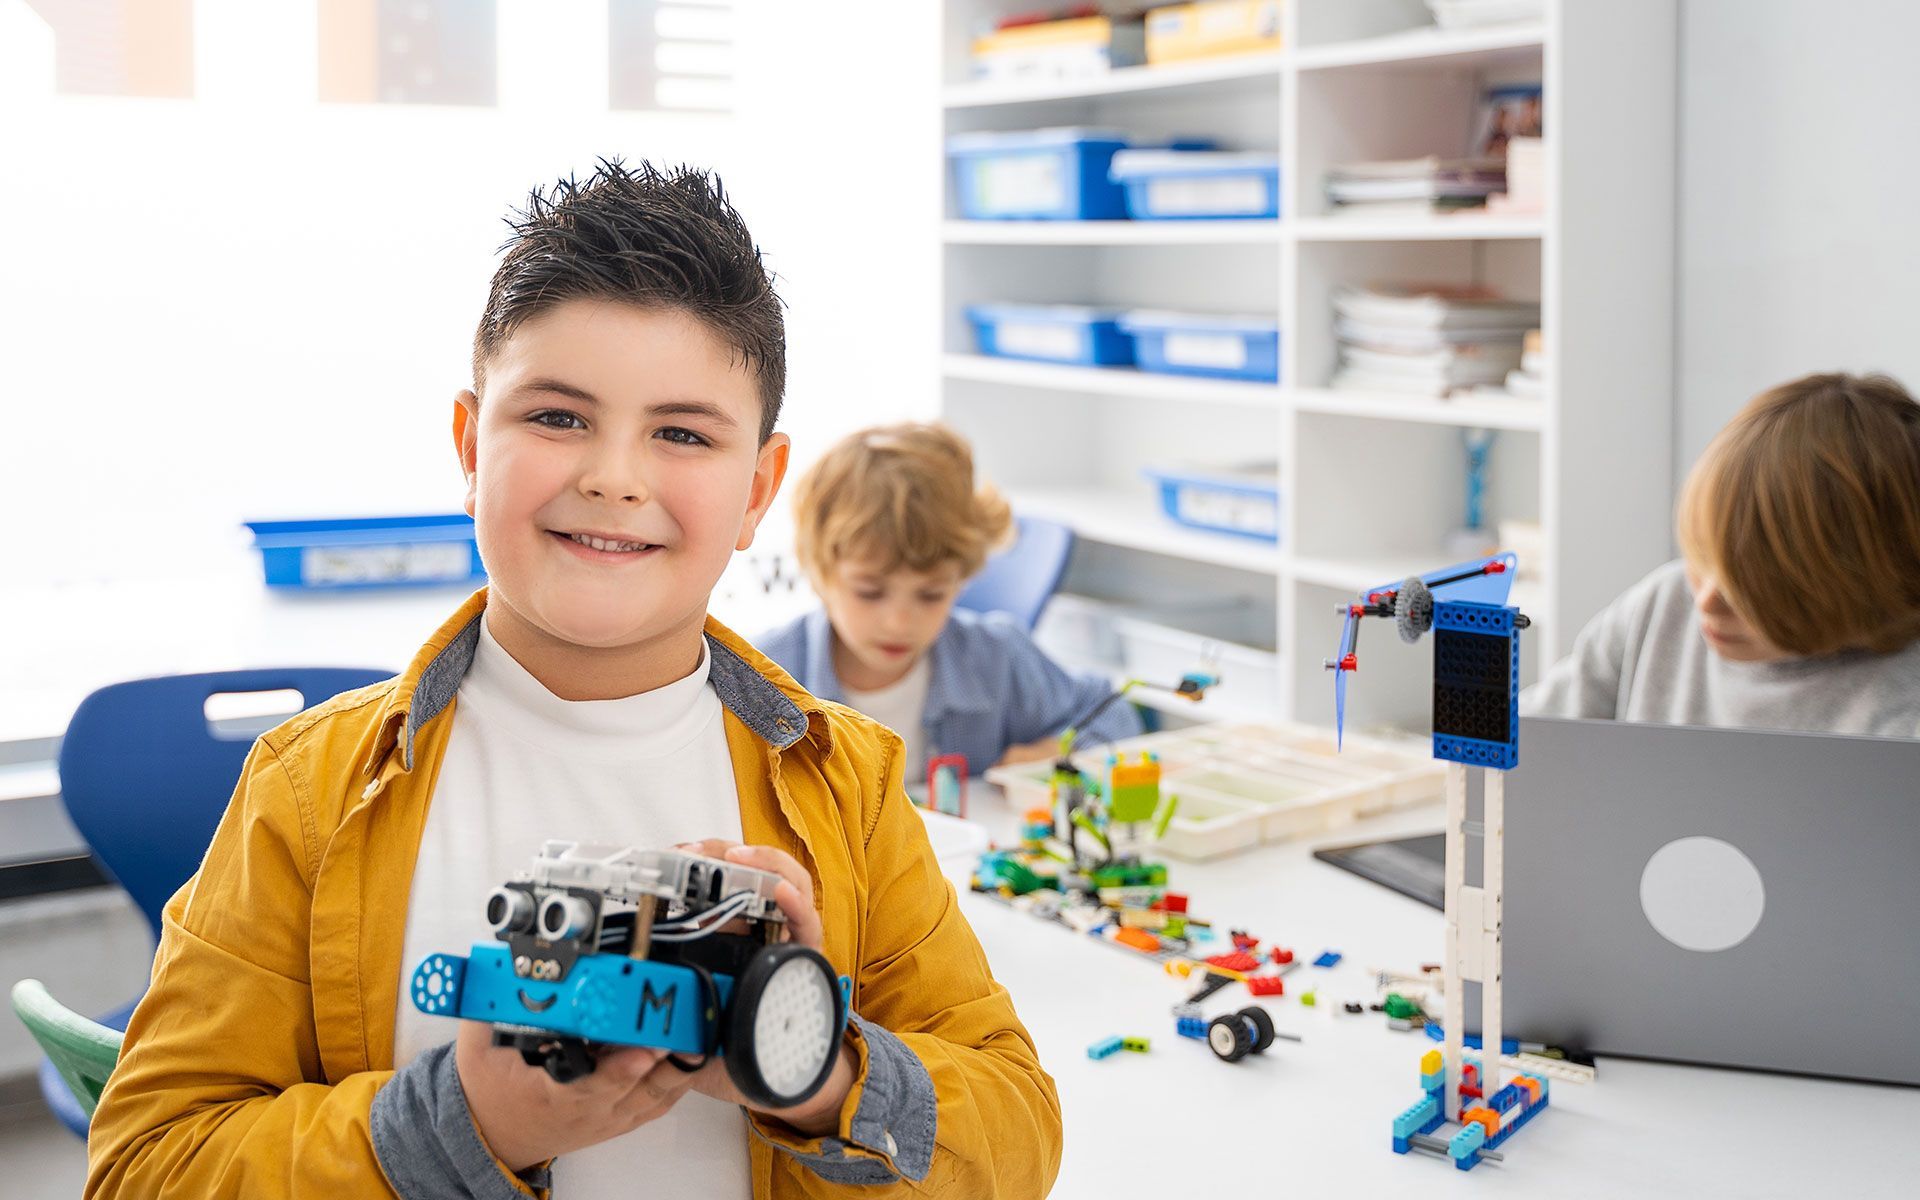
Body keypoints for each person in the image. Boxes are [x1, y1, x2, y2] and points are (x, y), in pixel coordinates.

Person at [86, 161, 1061, 1200]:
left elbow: (1018, 1133)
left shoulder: (847, 785)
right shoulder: (309, 790)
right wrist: (468, 1123)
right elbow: (147, 1167)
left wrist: (810, 1067)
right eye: (557, 418)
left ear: (757, 492)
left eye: (682, 433)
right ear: (471, 445)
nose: (615, 476)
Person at [1524, 372, 1920, 735]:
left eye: (1752, 588)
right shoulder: (1663, 606)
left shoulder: (1901, 713)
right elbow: (1524, 741)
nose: (1707, 601)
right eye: (1702, 556)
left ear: (1863, 589)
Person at [757, 423, 1143, 781]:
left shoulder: (995, 657)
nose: (899, 622)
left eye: (931, 594)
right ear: (820, 573)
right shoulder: (764, 674)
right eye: (870, 592)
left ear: (962, 580)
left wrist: (1053, 751)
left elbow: (1113, 713)